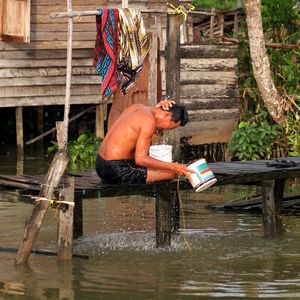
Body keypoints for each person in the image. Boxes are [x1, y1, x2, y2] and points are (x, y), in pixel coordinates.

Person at [96, 99, 193, 184]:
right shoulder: (149, 121)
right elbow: (141, 159)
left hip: (100, 163)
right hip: (116, 170)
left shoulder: (138, 107)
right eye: (170, 128)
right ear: (167, 115)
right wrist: (174, 167)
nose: (165, 130)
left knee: (162, 168)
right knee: (172, 174)